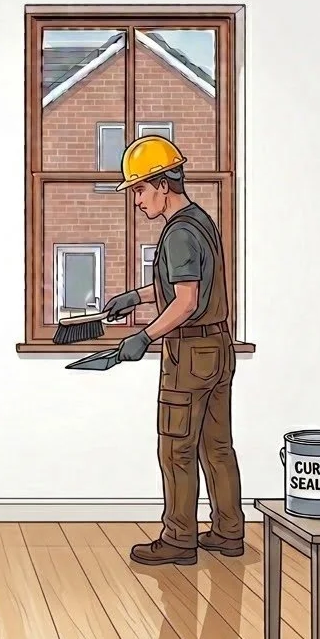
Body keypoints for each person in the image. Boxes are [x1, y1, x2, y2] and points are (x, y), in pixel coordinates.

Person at [103, 135, 243, 566]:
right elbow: (184, 289)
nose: (137, 201)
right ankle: (228, 532)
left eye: (140, 189)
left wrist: (144, 336)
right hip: (218, 348)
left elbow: (185, 301)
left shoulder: (178, 233)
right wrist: (137, 296)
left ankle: (180, 539)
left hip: (190, 353)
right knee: (216, 445)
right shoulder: (199, 221)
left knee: (176, 446)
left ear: (164, 184)